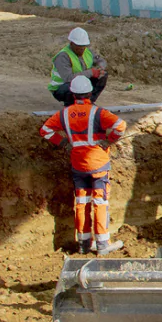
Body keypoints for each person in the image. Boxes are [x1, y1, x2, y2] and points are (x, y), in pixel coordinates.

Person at [39, 75, 127, 254]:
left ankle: (84, 244)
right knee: (100, 202)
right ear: (89, 93)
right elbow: (120, 126)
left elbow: (45, 130)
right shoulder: (97, 112)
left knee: (81, 202)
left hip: (78, 165)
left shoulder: (64, 114)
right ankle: (103, 244)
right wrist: (108, 141)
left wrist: (64, 143)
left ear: (72, 94)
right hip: (98, 164)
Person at [49, 27, 107, 104]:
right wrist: (91, 72)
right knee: (72, 85)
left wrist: (100, 68)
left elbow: (101, 60)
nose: (81, 49)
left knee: (102, 76)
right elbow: (68, 78)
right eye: (78, 47)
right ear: (71, 44)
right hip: (61, 88)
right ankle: (70, 104)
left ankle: (88, 102)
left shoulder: (88, 52)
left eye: (83, 46)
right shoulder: (63, 56)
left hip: (78, 83)